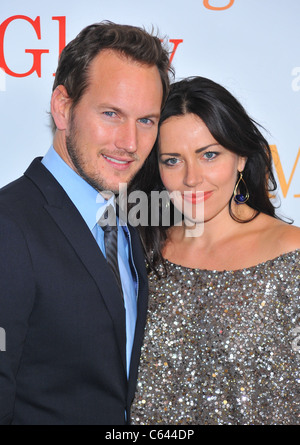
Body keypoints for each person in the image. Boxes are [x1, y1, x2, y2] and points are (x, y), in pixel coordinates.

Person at [0, 21, 172, 425]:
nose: (130, 143)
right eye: (111, 113)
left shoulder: (129, 220)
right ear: (63, 107)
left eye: (146, 120)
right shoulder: (9, 226)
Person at [130, 76, 300, 425]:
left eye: (209, 155)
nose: (192, 178)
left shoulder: (291, 255)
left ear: (240, 157)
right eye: (173, 160)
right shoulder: (142, 251)